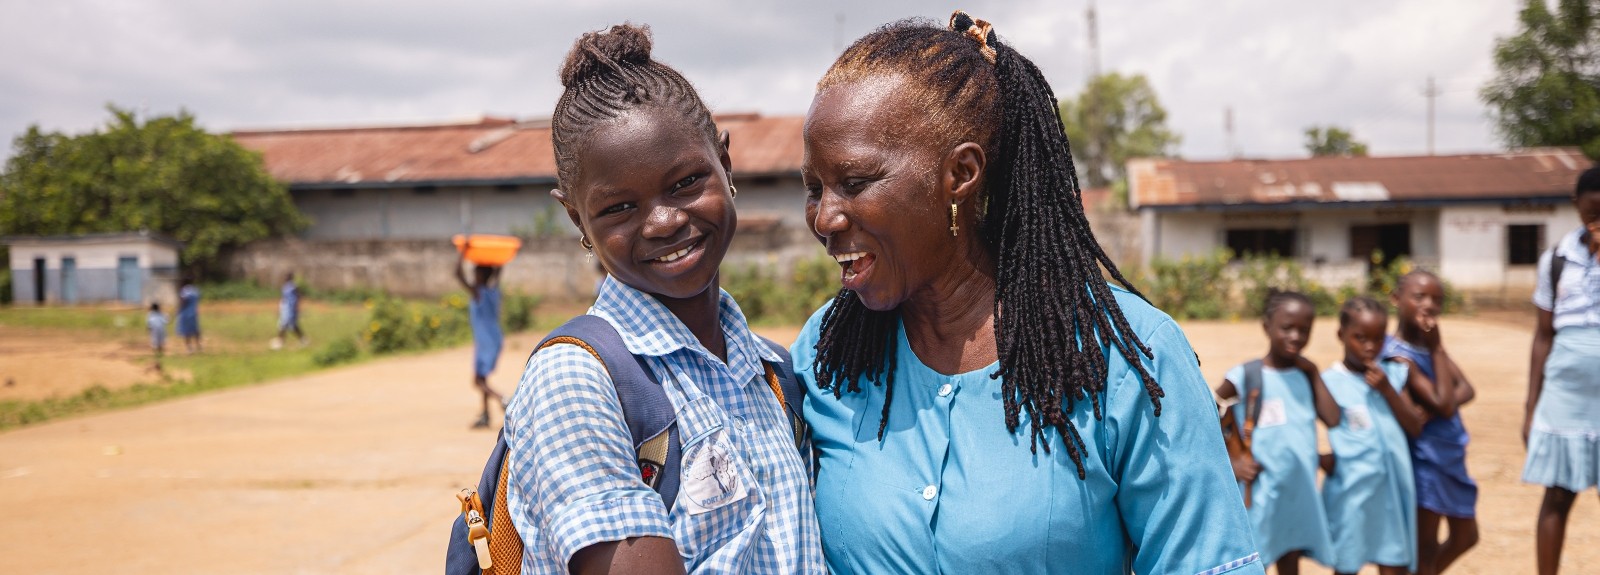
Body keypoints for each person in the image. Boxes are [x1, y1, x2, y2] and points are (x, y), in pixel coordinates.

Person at [792, 12, 1261, 574]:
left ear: (960, 174)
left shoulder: (1124, 357)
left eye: (854, 183)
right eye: (814, 188)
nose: (824, 217)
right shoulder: (825, 357)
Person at [500, 24, 823, 574]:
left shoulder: (773, 373)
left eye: (686, 182)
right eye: (619, 208)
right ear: (577, 217)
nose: (665, 221)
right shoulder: (579, 380)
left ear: (726, 163)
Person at [1216, 290, 1339, 574]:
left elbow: (1333, 418)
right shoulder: (1245, 376)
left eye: (1304, 330)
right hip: (1259, 495)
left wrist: (1315, 373)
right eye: (1287, 328)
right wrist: (1233, 463)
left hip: (1296, 493)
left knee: (1290, 558)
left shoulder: (1305, 376)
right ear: (1266, 326)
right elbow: (1206, 418)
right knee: (1254, 563)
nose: (1296, 336)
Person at [1523, 165, 1600, 575]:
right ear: (1576, 206)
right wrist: (1530, 406)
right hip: (1566, 398)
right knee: (1556, 496)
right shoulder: (1555, 259)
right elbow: (1542, 337)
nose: (1598, 224)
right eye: (1591, 214)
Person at [1320, 297, 1426, 575]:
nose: (1370, 346)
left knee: (1394, 563)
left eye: (1378, 339)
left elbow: (1414, 426)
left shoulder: (1393, 374)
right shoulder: (1328, 381)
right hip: (1351, 494)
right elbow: (1308, 426)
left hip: (1392, 491)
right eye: (1360, 338)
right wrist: (1320, 457)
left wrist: (1388, 390)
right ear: (1341, 335)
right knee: (1347, 563)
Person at [1383, 269, 1477, 575]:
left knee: (1466, 535)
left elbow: (1466, 389)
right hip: (1425, 458)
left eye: (1437, 299)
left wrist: (1435, 407)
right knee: (1424, 546)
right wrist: (1437, 349)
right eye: (1419, 296)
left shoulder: (1426, 347)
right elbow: (1447, 402)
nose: (1429, 305)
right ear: (1397, 299)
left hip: (1450, 454)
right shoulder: (1396, 355)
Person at [454, 256, 506, 429]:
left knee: (478, 381)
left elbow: (457, 274)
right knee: (482, 377)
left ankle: (503, 400)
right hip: (494, 338)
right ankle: (485, 415)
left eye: (475, 273)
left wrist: (462, 253)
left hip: (485, 341)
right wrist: (499, 254)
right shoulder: (494, 290)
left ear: (481, 276)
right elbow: (498, 270)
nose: (473, 276)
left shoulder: (478, 293)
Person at [272, 272, 306, 350]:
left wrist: (296, 306)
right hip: (285, 308)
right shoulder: (285, 286)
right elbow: (284, 298)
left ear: (290, 277)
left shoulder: (293, 287)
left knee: (285, 325)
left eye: (286, 276)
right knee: (290, 325)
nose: (285, 278)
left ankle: (280, 342)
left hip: (291, 308)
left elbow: (298, 296)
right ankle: (302, 339)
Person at [176, 279, 201, 354]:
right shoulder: (195, 290)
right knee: (195, 329)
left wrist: (178, 309)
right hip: (194, 312)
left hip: (185, 313)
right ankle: (199, 346)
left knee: (186, 331)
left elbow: (183, 301)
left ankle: (189, 348)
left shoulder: (184, 291)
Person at [146, 302, 167, 372]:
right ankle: (159, 354)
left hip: (154, 330)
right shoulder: (161, 314)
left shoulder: (150, 314)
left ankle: (156, 355)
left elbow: (149, 324)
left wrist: (149, 330)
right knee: (160, 342)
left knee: (154, 343)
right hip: (161, 330)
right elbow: (166, 320)